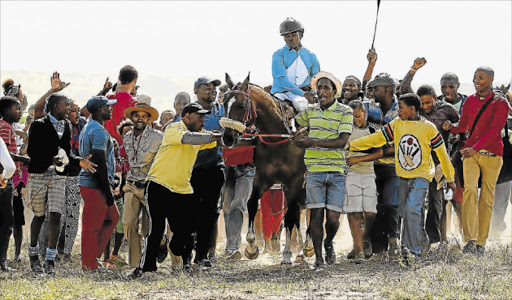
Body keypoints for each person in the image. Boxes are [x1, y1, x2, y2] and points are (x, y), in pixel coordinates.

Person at [349, 93, 456, 261]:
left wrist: (450, 179)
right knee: (406, 213)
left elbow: (442, 154)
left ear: (412, 109)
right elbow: (377, 139)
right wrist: (351, 144)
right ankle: (414, 245)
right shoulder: (397, 124)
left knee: (412, 209)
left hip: (422, 176)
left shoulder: (428, 128)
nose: (398, 111)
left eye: (401, 108)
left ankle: (413, 252)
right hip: (403, 176)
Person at [130, 103, 220, 277]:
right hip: (158, 185)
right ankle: (147, 269)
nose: (203, 120)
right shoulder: (173, 129)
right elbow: (188, 138)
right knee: (156, 229)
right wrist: (216, 136)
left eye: (204, 117)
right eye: (199, 117)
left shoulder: (200, 135)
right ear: (186, 116)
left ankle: (171, 247)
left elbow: (221, 141)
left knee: (185, 231)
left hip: (183, 190)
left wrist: (240, 138)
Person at [443, 66, 511, 255]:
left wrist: (476, 147)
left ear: (491, 80)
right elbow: (464, 125)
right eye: (474, 77)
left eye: (481, 77)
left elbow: (495, 130)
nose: (476, 80)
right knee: (470, 192)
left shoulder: (501, 102)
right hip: (470, 155)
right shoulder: (470, 101)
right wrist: (452, 127)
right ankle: (470, 240)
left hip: (492, 155)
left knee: (487, 199)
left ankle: (481, 243)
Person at [27, 93, 93, 274]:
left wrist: (79, 161)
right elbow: (32, 151)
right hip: (39, 174)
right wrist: (52, 158)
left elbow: (67, 153)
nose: (69, 109)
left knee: (56, 214)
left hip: (58, 175)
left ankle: (50, 258)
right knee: (39, 216)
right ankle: (33, 254)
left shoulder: (65, 126)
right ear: (56, 106)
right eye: (66, 105)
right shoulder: (38, 125)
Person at [293, 71, 352, 270]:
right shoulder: (310, 111)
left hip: (336, 171)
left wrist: (312, 141)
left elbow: (342, 141)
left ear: (335, 91)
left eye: (327, 87)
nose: (322, 91)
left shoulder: (345, 111)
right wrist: (298, 136)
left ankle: (328, 243)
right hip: (315, 171)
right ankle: (318, 258)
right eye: (319, 87)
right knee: (316, 216)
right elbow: (297, 124)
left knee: (333, 218)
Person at [415, 84, 460, 247]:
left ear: (435, 98)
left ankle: (437, 238)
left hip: (440, 162)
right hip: (420, 162)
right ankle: (420, 238)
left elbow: (462, 128)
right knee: (418, 201)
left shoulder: (447, 109)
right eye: (422, 103)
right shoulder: (416, 111)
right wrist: (413, 71)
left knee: (437, 201)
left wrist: (453, 129)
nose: (425, 107)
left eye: (428, 102)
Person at [78, 96, 120, 271]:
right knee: (92, 226)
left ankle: (92, 259)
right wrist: (108, 192)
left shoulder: (91, 127)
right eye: (107, 107)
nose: (110, 109)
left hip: (95, 183)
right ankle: (89, 265)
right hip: (94, 183)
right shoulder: (98, 131)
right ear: (98, 110)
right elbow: (99, 163)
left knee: (112, 218)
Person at [363, 73, 401, 260]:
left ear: (388, 89)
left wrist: (381, 148)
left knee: (392, 203)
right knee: (374, 206)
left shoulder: (402, 109)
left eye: (376, 89)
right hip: (372, 165)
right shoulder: (367, 107)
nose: (373, 92)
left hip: (395, 166)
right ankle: (379, 248)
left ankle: (394, 241)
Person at [189, 77, 225, 267]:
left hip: (215, 166)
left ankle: (202, 255)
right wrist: (214, 136)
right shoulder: (189, 112)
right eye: (207, 88)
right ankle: (186, 251)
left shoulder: (221, 110)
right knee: (192, 211)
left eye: (214, 88)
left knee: (210, 212)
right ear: (196, 90)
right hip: (192, 168)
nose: (212, 90)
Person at [122, 103, 163, 268]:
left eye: (144, 116)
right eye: (137, 115)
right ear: (132, 118)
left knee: (149, 227)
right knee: (128, 222)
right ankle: (134, 264)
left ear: (148, 119)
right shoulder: (126, 136)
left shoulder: (159, 137)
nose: (140, 118)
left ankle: (153, 255)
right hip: (131, 184)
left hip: (151, 186)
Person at [344, 100, 382, 261]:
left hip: (368, 173)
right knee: (354, 212)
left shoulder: (373, 129)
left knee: (370, 212)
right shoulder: (345, 130)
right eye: (352, 117)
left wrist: (360, 159)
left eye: (358, 116)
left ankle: (365, 237)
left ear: (364, 112)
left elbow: (379, 153)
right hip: (350, 174)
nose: (355, 120)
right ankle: (358, 249)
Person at [0, 96, 29, 272]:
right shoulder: (4, 128)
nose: (20, 112)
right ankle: (1, 262)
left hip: (8, 177)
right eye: (16, 108)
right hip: (4, 178)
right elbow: (5, 157)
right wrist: (25, 159)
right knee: (6, 222)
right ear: (5, 111)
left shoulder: (7, 127)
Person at [57, 100, 86, 262]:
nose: (78, 114)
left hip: (76, 176)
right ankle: (53, 250)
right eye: (74, 111)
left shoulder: (82, 126)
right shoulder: (59, 128)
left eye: (78, 110)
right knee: (58, 215)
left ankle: (67, 251)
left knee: (73, 215)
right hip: (60, 176)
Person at [271, 17, 319, 112]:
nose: (290, 39)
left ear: (300, 35)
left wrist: (312, 94)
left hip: (300, 97)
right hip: (281, 93)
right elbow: (281, 80)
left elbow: (316, 79)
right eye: (287, 36)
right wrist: (303, 94)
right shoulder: (278, 54)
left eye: (293, 35)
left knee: (302, 105)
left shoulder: (311, 56)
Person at [104, 65, 139, 145]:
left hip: (106, 142)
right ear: (135, 81)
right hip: (123, 145)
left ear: (119, 78)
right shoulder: (134, 103)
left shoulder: (108, 98)